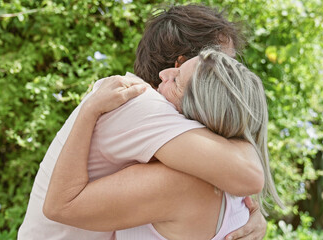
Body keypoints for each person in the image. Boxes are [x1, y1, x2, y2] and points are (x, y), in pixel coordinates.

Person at [18, 4, 268, 240]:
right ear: (181, 64)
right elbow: (249, 174)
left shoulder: (156, 110)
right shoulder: (141, 104)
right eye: (224, 62)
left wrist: (245, 215)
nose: (232, 74)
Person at [43, 48, 283, 240]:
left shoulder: (177, 183)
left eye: (176, 81)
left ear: (199, 111)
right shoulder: (231, 181)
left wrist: (90, 109)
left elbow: (61, 206)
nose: (163, 74)